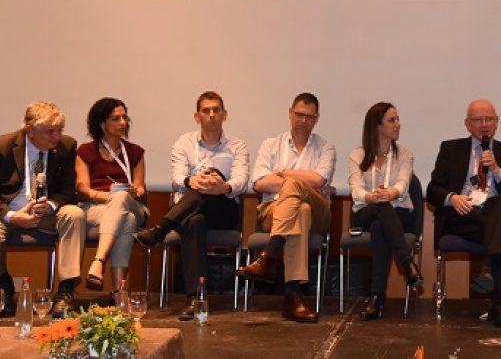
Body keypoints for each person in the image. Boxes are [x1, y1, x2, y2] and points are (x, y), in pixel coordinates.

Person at [133, 91, 249, 320]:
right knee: (195, 219)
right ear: (197, 116)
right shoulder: (183, 143)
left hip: (223, 210)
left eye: (216, 110)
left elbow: (242, 180)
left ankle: (160, 230)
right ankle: (196, 298)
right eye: (206, 111)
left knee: (203, 192)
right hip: (189, 213)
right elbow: (177, 178)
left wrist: (223, 187)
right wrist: (192, 182)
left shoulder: (237, 146)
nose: (212, 115)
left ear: (224, 114)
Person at [0, 101, 85, 317]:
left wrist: (50, 205)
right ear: (30, 131)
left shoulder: (67, 146)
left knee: (74, 214)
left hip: (46, 213)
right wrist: (11, 216)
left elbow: (68, 192)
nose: (57, 137)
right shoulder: (1, 147)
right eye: (50, 131)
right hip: (6, 211)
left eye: (59, 130)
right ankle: (3, 286)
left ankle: (66, 291)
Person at [237, 92, 336, 323]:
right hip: (272, 210)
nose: (303, 121)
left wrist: (283, 173)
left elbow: (319, 179)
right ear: (290, 113)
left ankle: (268, 256)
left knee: (296, 189)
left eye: (309, 117)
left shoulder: (326, 148)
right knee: (301, 210)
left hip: (319, 213)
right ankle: (293, 296)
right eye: (299, 114)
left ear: (317, 119)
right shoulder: (271, 145)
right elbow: (259, 182)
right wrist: (303, 180)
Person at [426, 99, 501, 329]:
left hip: (493, 215)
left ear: (497, 122)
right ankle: (500, 304)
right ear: (467, 124)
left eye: (489, 119)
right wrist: (453, 198)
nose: (484, 124)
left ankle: (490, 275)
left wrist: (497, 170)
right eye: (478, 120)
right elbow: (432, 190)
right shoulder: (451, 149)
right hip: (461, 215)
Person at [347, 102, 424, 320]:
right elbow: (355, 189)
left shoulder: (405, 154)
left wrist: (390, 194)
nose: (398, 124)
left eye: (397, 119)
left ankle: (376, 297)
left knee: (380, 225)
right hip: (365, 212)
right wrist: (372, 197)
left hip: (398, 214)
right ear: (377, 126)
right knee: (379, 210)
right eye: (392, 120)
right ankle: (406, 263)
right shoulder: (357, 155)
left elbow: (403, 184)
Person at [75, 97, 147, 296]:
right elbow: (83, 189)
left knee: (122, 199)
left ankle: (99, 261)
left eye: (125, 118)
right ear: (101, 123)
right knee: (127, 219)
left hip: (132, 204)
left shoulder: (135, 152)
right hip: (93, 207)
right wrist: (109, 196)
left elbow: (141, 188)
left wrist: (132, 191)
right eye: (116, 119)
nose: (123, 123)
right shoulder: (85, 151)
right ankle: (119, 292)